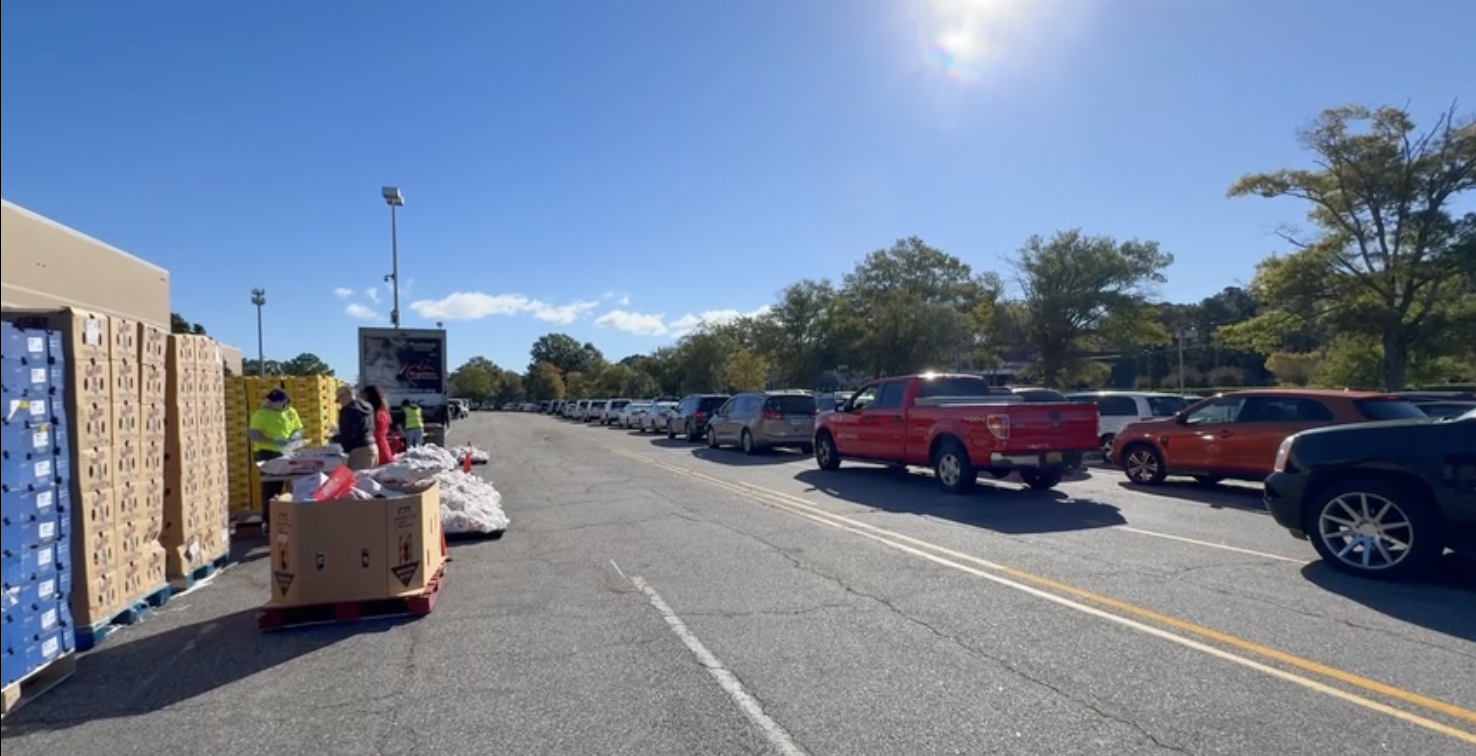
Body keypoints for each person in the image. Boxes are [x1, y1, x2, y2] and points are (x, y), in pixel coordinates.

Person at [248, 389, 303, 526]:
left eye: (277, 402)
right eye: (272, 402)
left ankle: (287, 516)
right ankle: (269, 520)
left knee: (287, 483)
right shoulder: (261, 415)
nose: (274, 404)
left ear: (285, 401)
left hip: (286, 452)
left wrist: (295, 436)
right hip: (266, 452)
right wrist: (271, 440)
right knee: (270, 486)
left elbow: (298, 428)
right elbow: (254, 434)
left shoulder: (291, 412)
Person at [332, 386, 378, 470]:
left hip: (359, 450)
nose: (340, 403)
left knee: (359, 480)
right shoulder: (367, 406)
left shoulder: (349, 410)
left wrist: (336, 439)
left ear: (345, 396)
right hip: (372, 447)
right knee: (369, 479)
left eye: (339, 399)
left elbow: (349, 432)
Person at [363, 384, 397, 465]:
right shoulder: (383, 413)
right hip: (383, 449)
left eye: (364, 397)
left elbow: (374, 434)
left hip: (378, 452)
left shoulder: (375, 415)